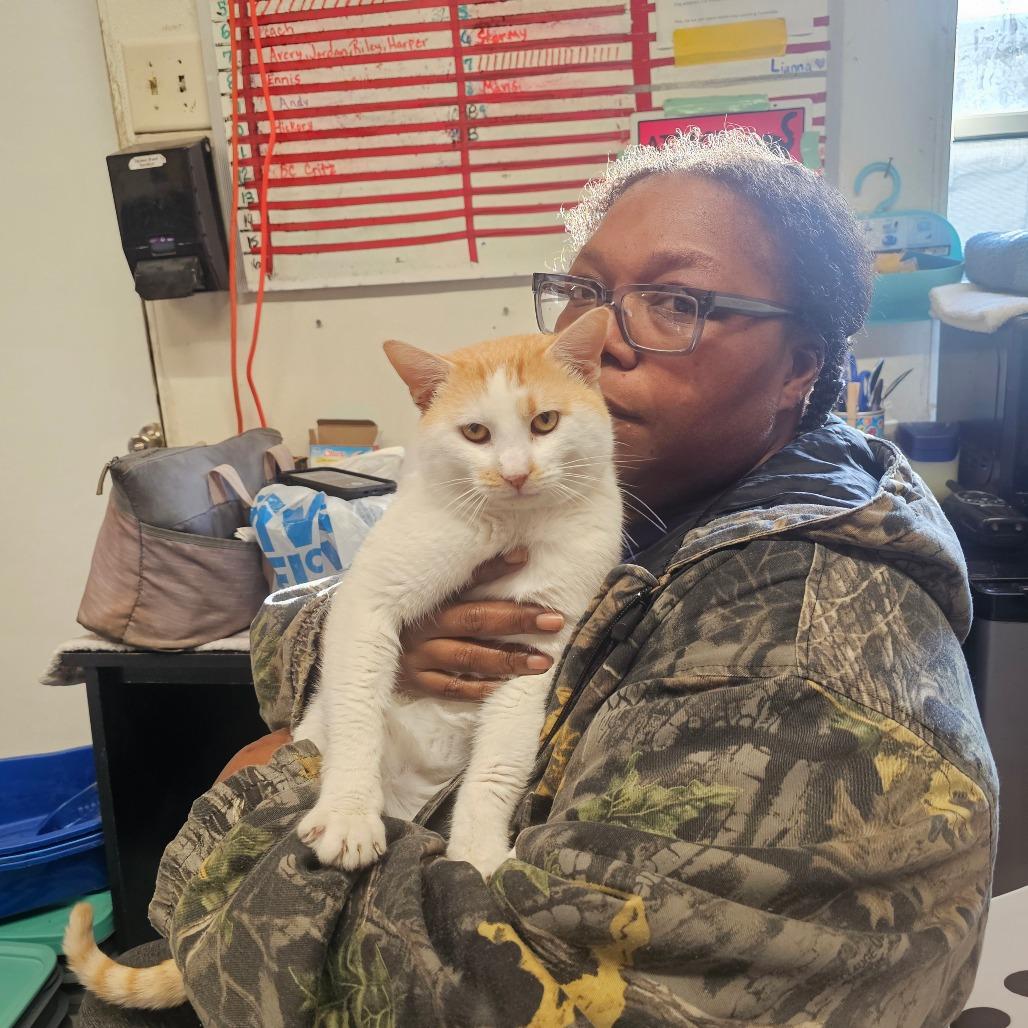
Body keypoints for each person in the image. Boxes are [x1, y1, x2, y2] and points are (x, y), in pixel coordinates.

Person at [82, 130, 996, 1027]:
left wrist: (257, 796)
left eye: (677, 301)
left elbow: (492, 989)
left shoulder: (805, 664)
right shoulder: (661, 501)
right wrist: (395, 642)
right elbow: (333, 605)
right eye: (586, 290)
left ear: (799, 365)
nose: (605, 337)